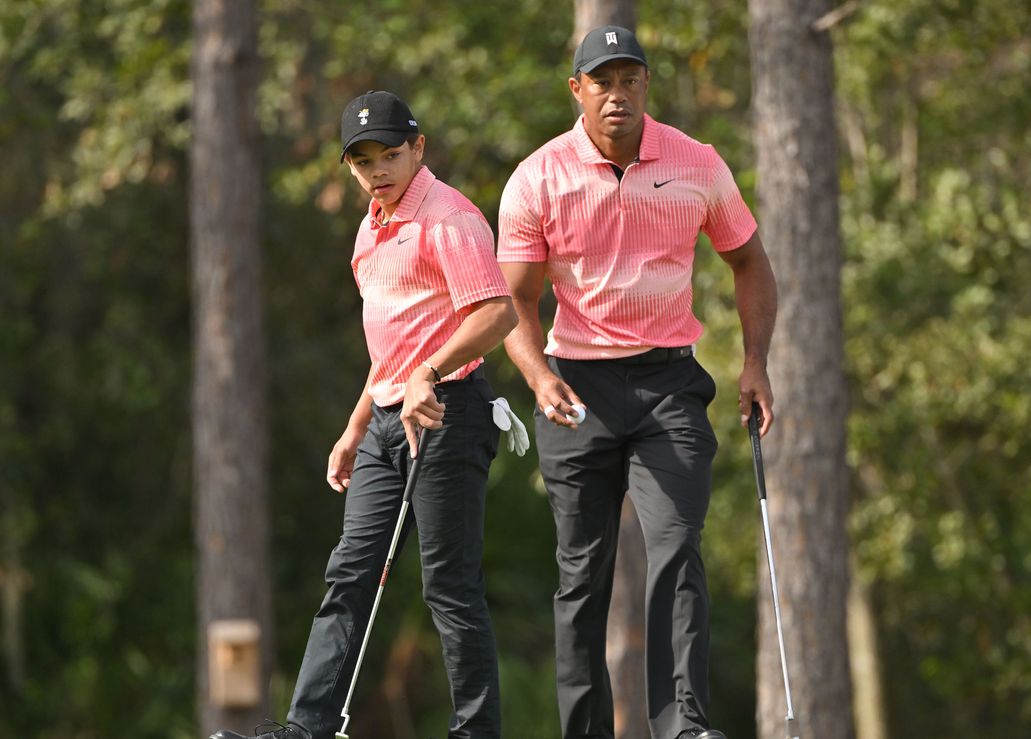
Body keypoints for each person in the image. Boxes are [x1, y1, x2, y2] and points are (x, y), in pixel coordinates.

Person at [496, 26, 778, 739]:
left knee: (677, 546)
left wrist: (753, 362)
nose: (616, 93)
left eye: (629, 79)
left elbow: (750, 262)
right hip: (575, 388)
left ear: (646, 85)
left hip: (668, 387)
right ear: (577, 90)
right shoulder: (539, 176)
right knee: (581, 577)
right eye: (602, 81)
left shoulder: (697, 163)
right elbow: (513, 303)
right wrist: (536, 376)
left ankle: (683, 724)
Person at [212, 90, 519, 739]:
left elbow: (497, 313)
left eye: (390, 154)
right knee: (350, 571)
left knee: (449, 585)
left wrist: (428, 374)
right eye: (362, 161)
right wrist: (355, 427)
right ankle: (308, 727)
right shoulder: (370, 228)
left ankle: (477, 730)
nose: (377, 170)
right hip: (386, 419)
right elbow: (392, 348)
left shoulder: (449, 218)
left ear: (418, 150)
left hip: (449, 409)